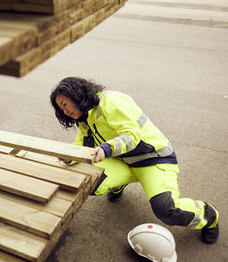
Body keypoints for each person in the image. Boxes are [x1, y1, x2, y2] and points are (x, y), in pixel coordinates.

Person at [50, 76, 219, 244]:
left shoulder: (110, 100)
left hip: (154, 160)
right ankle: (119, 183)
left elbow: (132, 135)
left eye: (64, 105)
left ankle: (209, 215)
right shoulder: (85, 117)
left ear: (76, 94)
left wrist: (107, 149)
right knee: (90, 181)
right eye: (61, 109)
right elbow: (83, 144)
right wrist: (69, 157)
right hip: (122, 160)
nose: (65, 112)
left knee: (166, 210)